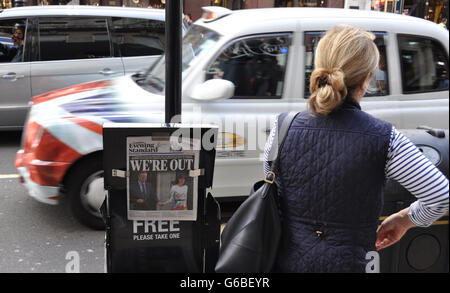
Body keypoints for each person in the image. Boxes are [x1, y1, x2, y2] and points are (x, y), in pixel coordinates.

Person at [263, 25, 449, 273]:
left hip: (285, 263)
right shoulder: (386, 138)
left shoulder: (282, 127)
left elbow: (271, 190)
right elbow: (441, 196)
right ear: (368, 78)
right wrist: (404, 220)